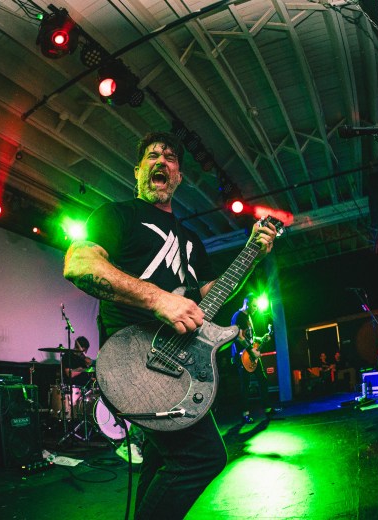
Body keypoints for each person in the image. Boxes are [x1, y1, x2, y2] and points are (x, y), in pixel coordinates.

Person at [63, 131, 277, 519]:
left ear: (178, 176)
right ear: (138, 171)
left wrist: (252, 253)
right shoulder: (118, 215)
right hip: (135, 360)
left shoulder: (192, 240)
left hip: (180, 365)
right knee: (203, 457)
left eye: (170, 157)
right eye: (152, 156)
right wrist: (159, 299)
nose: (161, 160)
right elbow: (79, 264)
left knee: (162, 462)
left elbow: (214, 293)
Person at [229, 294, 273, 424]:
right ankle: (245, 414)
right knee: (245, 386)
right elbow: (238, 337)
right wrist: (251, 351)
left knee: (263, 380)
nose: (255, 308)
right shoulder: (238, 316)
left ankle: (268, 409)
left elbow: (250, 338)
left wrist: (262, 338)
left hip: (250, 354)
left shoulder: (249, 318)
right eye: (254, 305)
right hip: (242, 355)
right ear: (246, 303)